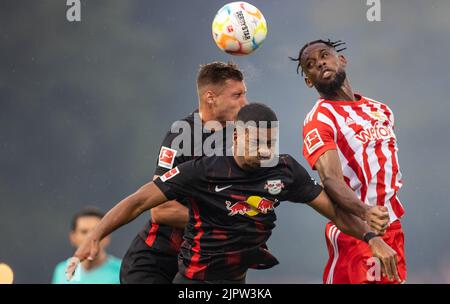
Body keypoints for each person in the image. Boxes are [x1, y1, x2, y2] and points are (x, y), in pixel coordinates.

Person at [66, 103, 399, 284]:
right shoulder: (204, 170)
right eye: (257, 142)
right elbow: (139, 201)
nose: (264, 150)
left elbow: (335, 212)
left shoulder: (284, 170)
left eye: (270, 143)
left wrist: (371, 237)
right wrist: (96, 234)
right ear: (237, 137)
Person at [119, 61, 248, 283]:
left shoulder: (242, 137)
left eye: (244, 94)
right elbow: (160, 210)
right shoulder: (183, 135)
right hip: (156, 262)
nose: (245, 103)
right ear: (210, 97)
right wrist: (220, 223)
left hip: (203, 264)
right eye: (236, 96)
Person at [290, 39, 406, 283]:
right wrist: (366, 212)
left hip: (393, 230)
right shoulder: (319, 120)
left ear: (341, 59)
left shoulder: (381, 110)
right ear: (309, 81)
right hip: (355, 230)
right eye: (310, 64)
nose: (320, 63)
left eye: (324, 55)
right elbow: (330, 180)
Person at [51, 207, 121, 284]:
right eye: (84, 232)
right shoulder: (61, 270)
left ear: (107, 237)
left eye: (95, 231)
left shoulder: (122, 270)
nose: (89, 237)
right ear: (73, 238)